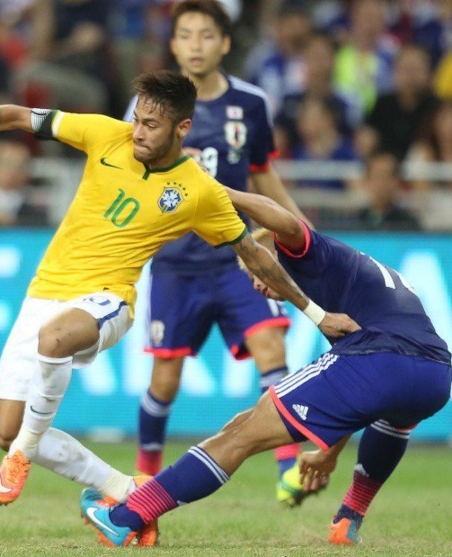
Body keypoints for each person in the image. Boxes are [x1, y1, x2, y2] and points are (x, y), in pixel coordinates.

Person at [0, 69, 358, 545]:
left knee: (52, 344)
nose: (138, 130)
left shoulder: (198, 190)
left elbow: (254, 256)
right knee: (7, 427)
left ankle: (21, 456)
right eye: (138, 118)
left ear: (181, 129)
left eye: (151, 124)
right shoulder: (106, 133)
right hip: (44, 293)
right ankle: (126, 489)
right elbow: (18, 115)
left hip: (109, 300)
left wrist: (316, 314)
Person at [81, 186, 452, 547]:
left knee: (240, 432)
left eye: (255, 270)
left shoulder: (307, 254)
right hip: (435, 374)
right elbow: (362, 389)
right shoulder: (353, 280)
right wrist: (330, 451)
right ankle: (348, 519)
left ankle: (125, 517)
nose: (255, 284)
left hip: (379, 358)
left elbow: (288, 225)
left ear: (274, 252)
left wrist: (218, 191)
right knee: (394, 417)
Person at [122, 0, 311, 506]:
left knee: (273, 348)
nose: (197, 45)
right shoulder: (150, 104)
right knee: (165, 379)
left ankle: (288, 471)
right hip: (176, 264)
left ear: (225, 43)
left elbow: (262, 170)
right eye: (186, 35)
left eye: (207, 35)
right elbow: (127, 176)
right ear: (174, 43)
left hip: (238, 256)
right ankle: (143, 476)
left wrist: (294, 224)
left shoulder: (250, 103)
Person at [356, 150, 421, 231]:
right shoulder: (355, 222)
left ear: (397, 181)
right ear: (367, 180)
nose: (382, 183)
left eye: (387, 176)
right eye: (378, 176)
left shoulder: (408, 223)